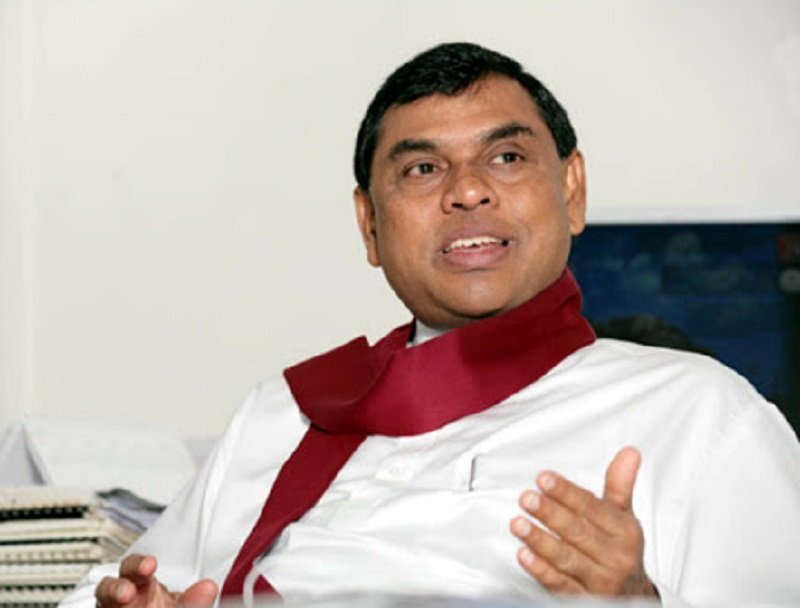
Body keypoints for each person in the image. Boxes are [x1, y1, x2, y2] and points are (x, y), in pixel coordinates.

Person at [62, 42, 800, 608]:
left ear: (571, 190)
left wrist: (639, 602)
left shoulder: (700, 414)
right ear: (369, 225)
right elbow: (125, 586)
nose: (468, 191)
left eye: (506, 157)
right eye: (422, 170)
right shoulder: (282, 413)